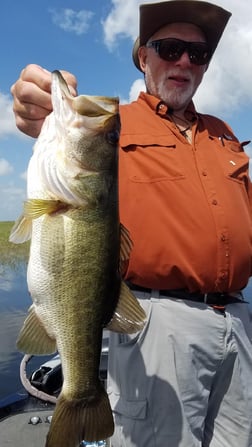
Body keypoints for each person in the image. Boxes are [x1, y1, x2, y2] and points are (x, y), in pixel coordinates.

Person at [11, 1, 252, 446]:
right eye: (170, 47)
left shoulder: (224, 133)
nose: (183, 61)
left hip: (238, 322)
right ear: (144, 57)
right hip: (161, 323)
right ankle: (79, 400)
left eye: (196, 54)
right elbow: (55, 134)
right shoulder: (112, 124)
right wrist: (38, 108)